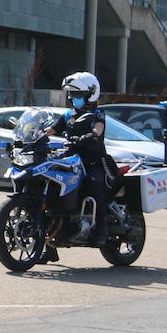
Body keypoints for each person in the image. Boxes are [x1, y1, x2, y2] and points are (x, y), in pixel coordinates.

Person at [50, 71, 112, 243]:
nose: (73, 98)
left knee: (93, 183)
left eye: (77, 95)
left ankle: (101, 227)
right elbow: (51, 129)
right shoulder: (68, 116)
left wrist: (90, 135)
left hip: (93, 161)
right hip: (71, 160)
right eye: (71, 94)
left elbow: (98, 128)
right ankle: (49, 242)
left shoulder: (98, 114)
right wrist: (33, 136)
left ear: (91, 94)